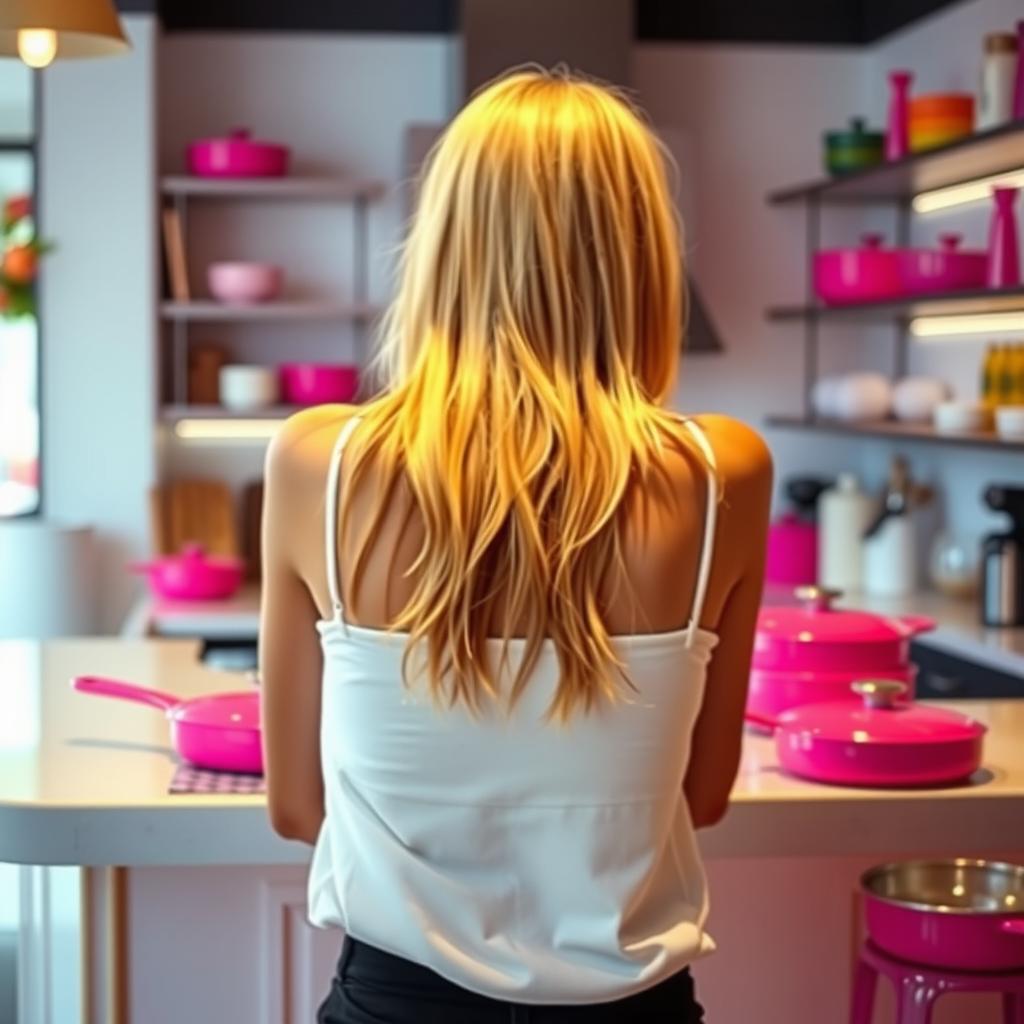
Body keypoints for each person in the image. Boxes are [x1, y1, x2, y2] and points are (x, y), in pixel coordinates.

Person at [260, 67, 772, 1023]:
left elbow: (295, 808)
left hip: (393, 1003)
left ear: (443, 247)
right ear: (641, 256)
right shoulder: (721, 475)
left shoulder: (318, 464)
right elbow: (701, 796)